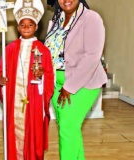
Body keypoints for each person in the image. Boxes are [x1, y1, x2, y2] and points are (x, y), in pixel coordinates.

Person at [44, 0, 107, 159]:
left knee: (67, 128)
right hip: (56, 82)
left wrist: (69, 86)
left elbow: (91, 57)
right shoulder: (56, 20)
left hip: (82, 83)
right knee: (69, 128)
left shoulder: (91, 18)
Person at [0, 0, 54, 159]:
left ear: (36, 26)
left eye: (30, 25)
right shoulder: (9, 49)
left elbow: (50, 76)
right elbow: (2, 71)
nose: (26, 28)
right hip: (14, 100)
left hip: (34, 102)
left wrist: (42, 76)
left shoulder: (43, 51)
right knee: (14, 135)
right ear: (17, 27)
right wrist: (2, 82)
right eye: (23, 24)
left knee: (33, 136)